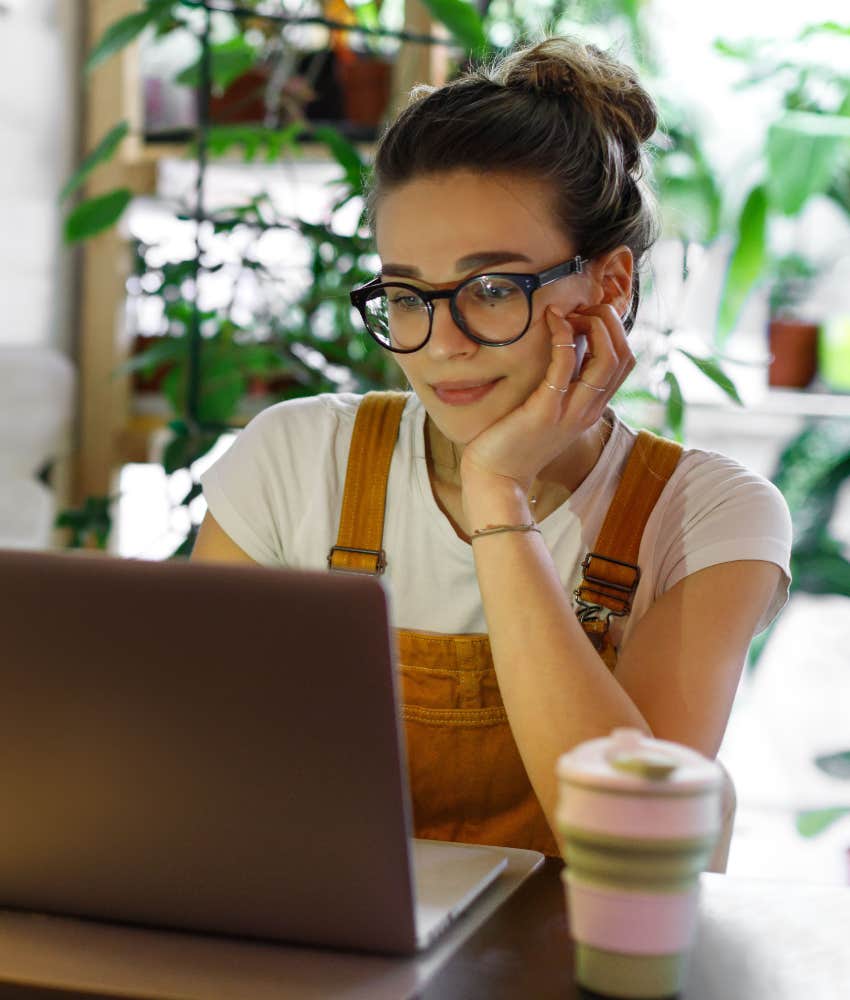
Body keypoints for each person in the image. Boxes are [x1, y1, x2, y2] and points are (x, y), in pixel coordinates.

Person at [192, 37, 792, 859]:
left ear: (609, 284)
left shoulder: (708, 517)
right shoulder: (297, 459)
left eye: (492, 289)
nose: (442, 343)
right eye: (408, 295)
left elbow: (637, 836)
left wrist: (498, 495)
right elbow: (195, 766)